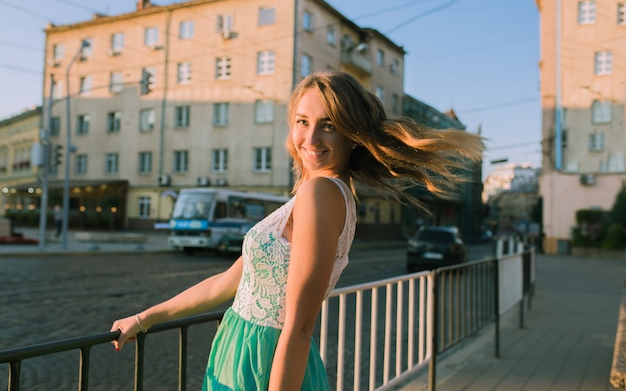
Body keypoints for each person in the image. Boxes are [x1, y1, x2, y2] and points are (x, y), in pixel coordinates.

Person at [110, 71, 483, 390]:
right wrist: (145, 318)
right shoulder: (317, 193)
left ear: (352, 135)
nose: (312, 138)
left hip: (267, 362)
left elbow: (300, 323)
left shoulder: (322, 192)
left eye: (330, 125)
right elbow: (227, 283)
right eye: (303, 121)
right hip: (245, 351)